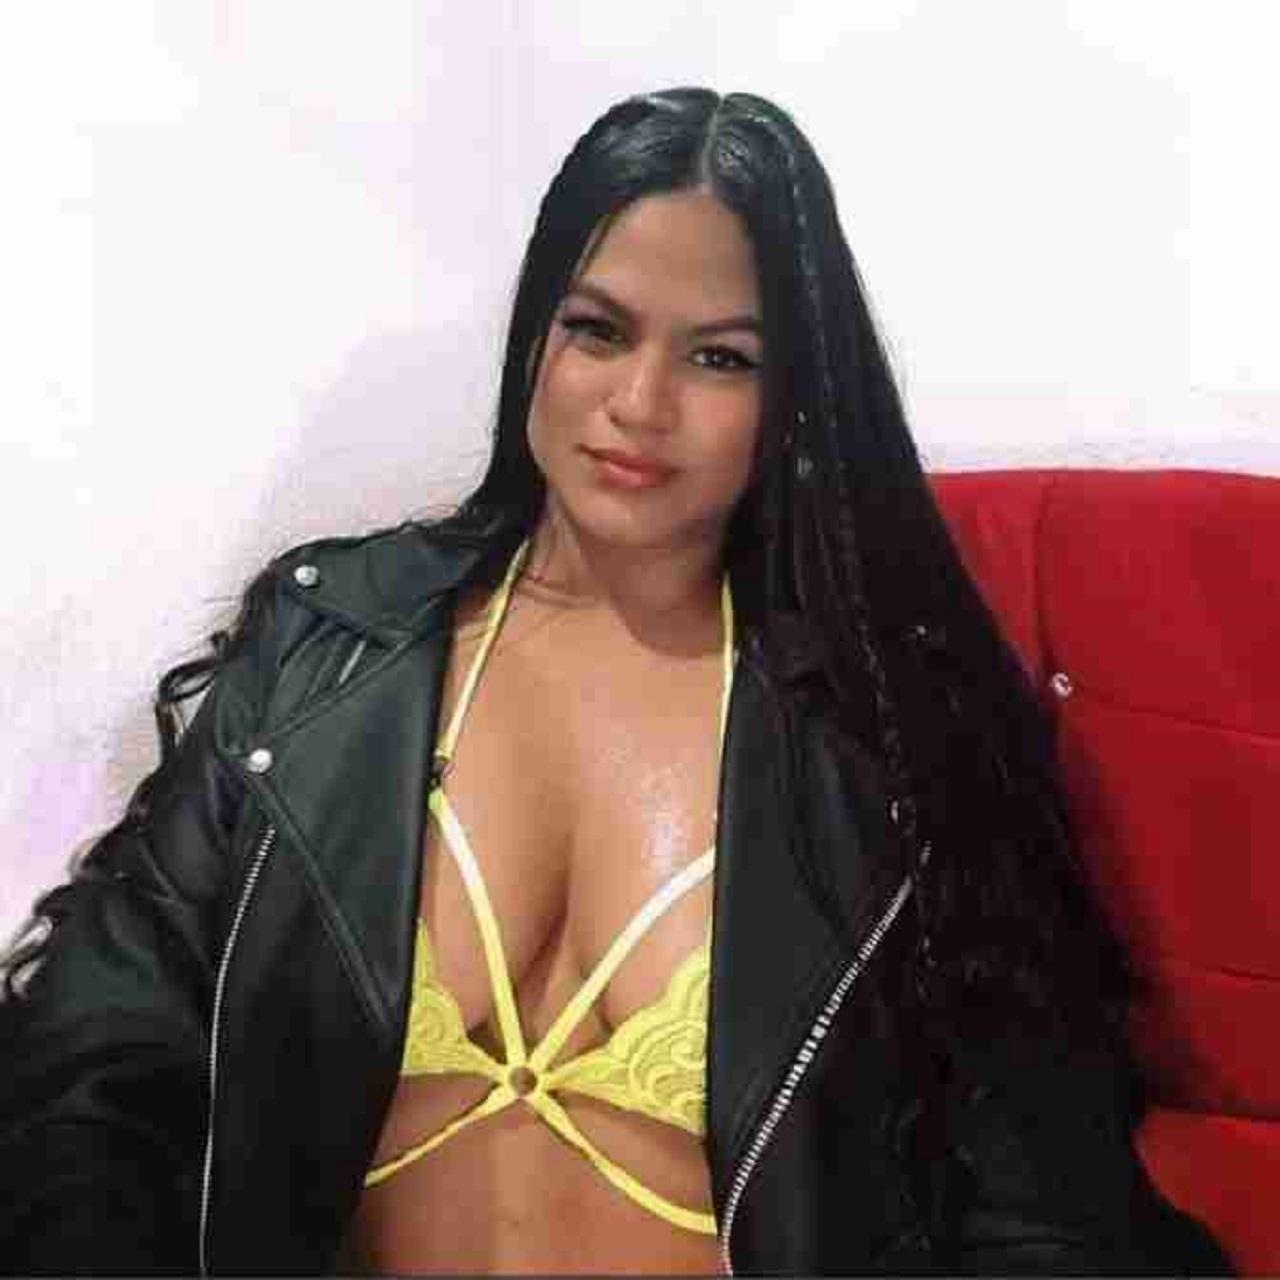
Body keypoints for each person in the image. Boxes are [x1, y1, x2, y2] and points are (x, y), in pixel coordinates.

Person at [0, 87, 1232, 1276]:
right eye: (597, 329)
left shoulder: (892, 735)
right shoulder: (328, 651)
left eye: (719, 357)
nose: (639, 404)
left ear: (794, 398)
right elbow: (99, 1040)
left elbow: (1030, 1187)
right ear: (536, 336)